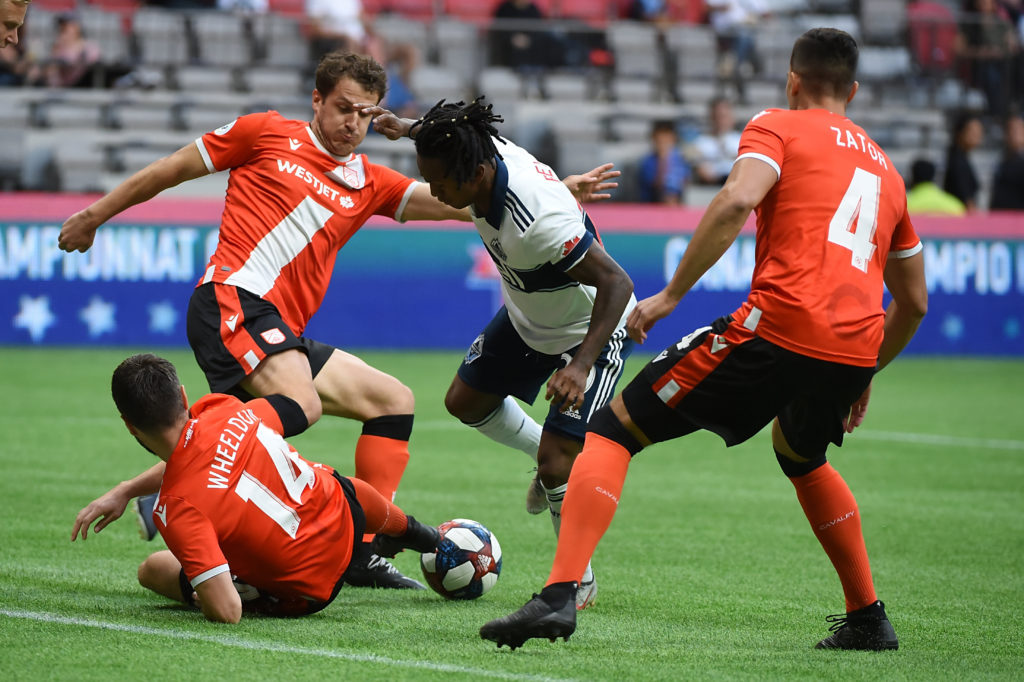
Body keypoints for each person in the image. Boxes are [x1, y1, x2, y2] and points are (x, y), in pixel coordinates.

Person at [56, 51, 621, 589]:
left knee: (393, 400)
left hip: (280, 329)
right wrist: (95, 214)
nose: (353, 123)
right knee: (302, 406)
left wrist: (557, 189)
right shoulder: (264, 132)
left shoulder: (368, 181)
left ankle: (363, 549)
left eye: (365, 114)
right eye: (344, 108)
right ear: (318, 101)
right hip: (233, 297)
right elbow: (172, 168)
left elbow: (455, 196)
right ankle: (175, 484)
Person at [480, 27, 928, 652]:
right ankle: (868, 617)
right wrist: (866, 372)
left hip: (778, 326)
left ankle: (558, 595)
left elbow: (735, 199)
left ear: (793, 80)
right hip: (852, 347)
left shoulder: (778, 124)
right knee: (802, 455)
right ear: (852, 90)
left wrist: (669, 297)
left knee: (613, 429)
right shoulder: (888, 171)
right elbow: (913, 303)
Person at [367, 97, 636, 611]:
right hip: (528, 315)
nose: (436, 192)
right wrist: (406, 128)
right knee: (464, 402)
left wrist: (580, 366)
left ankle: (575, 579)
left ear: (479, 172)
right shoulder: (470, 147)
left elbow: (615, 282)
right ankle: (544, 453)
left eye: (442, 182)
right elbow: (452, 126)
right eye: (430, 179)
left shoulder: (537, 221)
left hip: (585, 331)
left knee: (559, 462)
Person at [70, 354, 441, 623]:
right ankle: (414, 531)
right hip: (347, 514)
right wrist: (128, 489)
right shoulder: (222, 408)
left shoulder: (177, 509)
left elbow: (228, 613)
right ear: (184, 398)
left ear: (129, 425)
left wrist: (211, 599)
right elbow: (196, 454)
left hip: (311, 590)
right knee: (331, 479)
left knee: (153, 569)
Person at [706, 0, 766, 104]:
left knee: (745, 37)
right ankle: (750, 64)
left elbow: (764, 11)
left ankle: (735, 63)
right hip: (724, 35)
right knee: (745, 38)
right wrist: (722, 8)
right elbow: (706, 7)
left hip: (742, 34)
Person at [25, 13, 101, 88]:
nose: (62, 29)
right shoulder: (57, 47)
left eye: (66, 25)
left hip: (80, 89)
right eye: (61, 25)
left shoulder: (89, 47)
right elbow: (49, 73)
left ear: (76, 27)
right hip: (56, 91)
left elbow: (90, 64)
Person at [691, 96, 743, 185]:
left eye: (724, 116)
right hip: (710, 187)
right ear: (711, 117)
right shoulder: (700, 142)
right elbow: (699, 168)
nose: (720, 121)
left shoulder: (741, 140)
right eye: (717, 116)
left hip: (737, 186)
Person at [637, 119, 691, 204]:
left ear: (673, 138)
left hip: (678, 205)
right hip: (653, 205)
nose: (663, 143)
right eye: (660, 141)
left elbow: (685, 183)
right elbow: (656, 186)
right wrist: (663, 161)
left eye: (666, 139)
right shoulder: (647, 162)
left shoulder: (681, 160)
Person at [942, 111, 984, 211]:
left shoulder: (961, 157)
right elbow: (965, 198)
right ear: (960, 133)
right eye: (972, 131)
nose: (977, 135)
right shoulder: (957, 161)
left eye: (979, 131)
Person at [990, 114, 1024, 209]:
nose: (1013, 134)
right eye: (1009, 130)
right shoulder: (1001, 162)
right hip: (1001, 217)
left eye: (1017, 130)